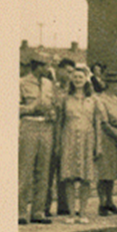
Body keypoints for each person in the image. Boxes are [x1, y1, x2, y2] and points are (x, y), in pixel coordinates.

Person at [58, 68, 104, 223]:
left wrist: (98, 145)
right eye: (75, 76)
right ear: (72, 79)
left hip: (88, 138)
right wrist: (59, 143)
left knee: (86, 178)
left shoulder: (93, 99)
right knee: (69, 177)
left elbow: (98, 123)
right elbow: (60, 122)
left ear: (86, 79)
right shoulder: (65, 98)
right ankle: (71, 214)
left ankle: (83, 213)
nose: (78, 79)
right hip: (69, 138)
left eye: (81, 77)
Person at [19, 54, 57, 224]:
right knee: (25, 169)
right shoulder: (22, 83)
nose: (47, 68)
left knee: (43, 170)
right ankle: (20, 211)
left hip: (46, 126)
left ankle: (38, 211)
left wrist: (52, 113)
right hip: (30, 125)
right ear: (36, 66)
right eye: (44, 65)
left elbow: (53, 104)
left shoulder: (49, 84)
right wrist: (31, 107)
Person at [48, 58, 77, 217]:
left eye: (72, 72)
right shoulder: (51, 86)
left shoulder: (73, 91)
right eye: (67, 71)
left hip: (67, 133)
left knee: (65, 171)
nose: (70, 75)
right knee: (48, 171)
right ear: (59, 70)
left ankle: (64, 206)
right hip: (50, 131)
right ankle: (45, 207)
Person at [94, 71, 117, 216]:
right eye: (116, 83)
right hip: (106, 137)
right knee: (104, 171)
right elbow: (104, 122)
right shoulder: (101, 99)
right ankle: (102, 203)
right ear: (109, 84)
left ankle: (110, 201)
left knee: (112, 171)